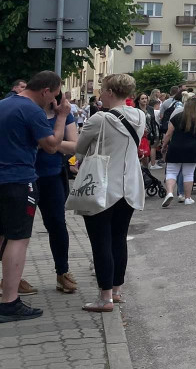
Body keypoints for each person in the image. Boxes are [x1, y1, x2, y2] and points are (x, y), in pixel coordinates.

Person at [0, 71, 69, 321]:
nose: (55, 100)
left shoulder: (4, 104)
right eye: (55, 95)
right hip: (18, 181)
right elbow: (51, 146)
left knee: (2, 236)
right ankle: (9, 302)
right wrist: (60, 116)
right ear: (46, 91)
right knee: (18, 239)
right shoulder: (32, 110)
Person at [75, 74, 145, 314]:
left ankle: (105, 298)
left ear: (112, 93)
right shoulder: (140, 115)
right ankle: (116, 290)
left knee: (101, 241)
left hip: (103, 186)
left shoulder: (99, 119)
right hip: (130, 186)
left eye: (103, 90)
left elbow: (79, 147)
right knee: (118, 239)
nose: (100, 94)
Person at [33, 80, 79, 295]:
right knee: (15, 230)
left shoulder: (64, 114)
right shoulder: (30, 112)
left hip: (52, 176)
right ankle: (12, 278)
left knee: (57, 225)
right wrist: (51, 142)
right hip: (26, 177)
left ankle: (63, 271)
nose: (55, 97)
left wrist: (50, 143)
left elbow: (75, 145)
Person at [160, 97, 196, 207]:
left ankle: (170, 192)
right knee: (188, 174)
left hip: (175, 147)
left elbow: (168, 134)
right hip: (192, 148)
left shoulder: (177, 117)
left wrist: (163, 146)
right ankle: (187, 198)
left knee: (171, 172)